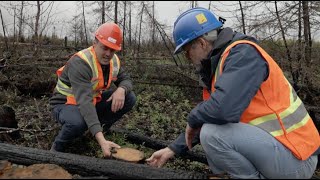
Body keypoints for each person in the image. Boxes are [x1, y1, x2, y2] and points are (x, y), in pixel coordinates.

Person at [146, 7, 320, 179]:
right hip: (279, 152)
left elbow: (222, 110)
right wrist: (173, 149)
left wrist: (193, 118)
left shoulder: (243, 54)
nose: (188, 59)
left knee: (212, 135)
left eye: (187, 52)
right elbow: (215, 116)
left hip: (296, 159)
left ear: (201, 43)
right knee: (211, 136)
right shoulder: (222, 64)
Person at [49, 22, 136, 157]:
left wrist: (121, 89)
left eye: (112, 50)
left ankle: (96, 131)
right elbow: (85, 103)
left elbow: (127, 80)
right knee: (77, 123)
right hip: (65, 104)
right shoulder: (81, 62)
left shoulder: (113, 61)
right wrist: (101, 142)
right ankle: (56, 149)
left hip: (92, 101)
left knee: (129, 98)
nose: (108, 54)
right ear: (95, 43)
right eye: (105, 48)